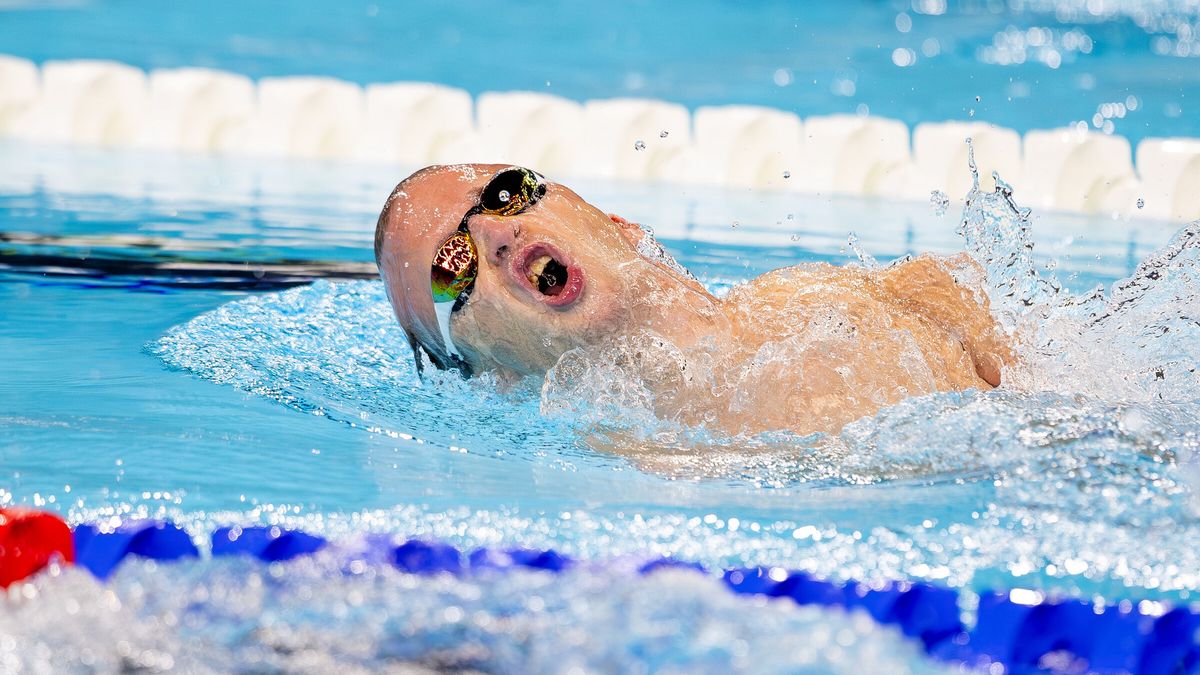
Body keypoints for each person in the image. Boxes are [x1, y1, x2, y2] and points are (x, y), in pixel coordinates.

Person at [375, 164, 1012, 436]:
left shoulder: (898, 291)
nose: (490, 231)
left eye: (505, 192)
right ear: (497, 375)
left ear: (613, 220)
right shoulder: (656, 478)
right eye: (450, 268)